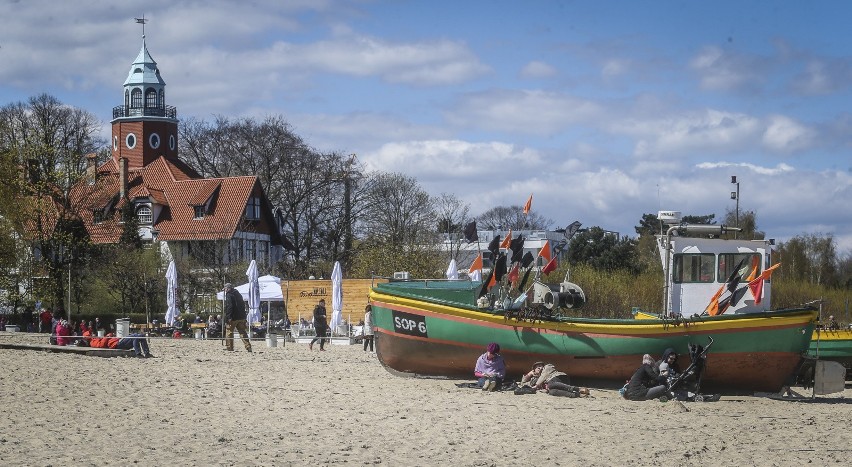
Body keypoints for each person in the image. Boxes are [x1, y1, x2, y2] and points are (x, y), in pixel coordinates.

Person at [523, 362, 589, 397]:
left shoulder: (547, 367)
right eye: (537, 367)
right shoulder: (536, 378)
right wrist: (530, 373)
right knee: (552, 392)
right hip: (554, 385)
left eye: (541, 366)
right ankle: (578, 395)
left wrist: (537, 385)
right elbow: (523, 382)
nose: (540, 367)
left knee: (551, 385)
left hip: (560, 378)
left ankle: (578, 389)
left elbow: (544, 375)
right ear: (534, 370)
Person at [223, 283, 252, 352]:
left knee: (229, 332)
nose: (225, 291)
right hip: (241, 316)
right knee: (242, 332)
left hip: (233, 317)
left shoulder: (229, 295)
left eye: (225, 289)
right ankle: (248, 346)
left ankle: (229, 347)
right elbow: (242, 305)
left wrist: (229, 317)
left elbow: (230, 306)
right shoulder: (238, 294)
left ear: (227, 288)